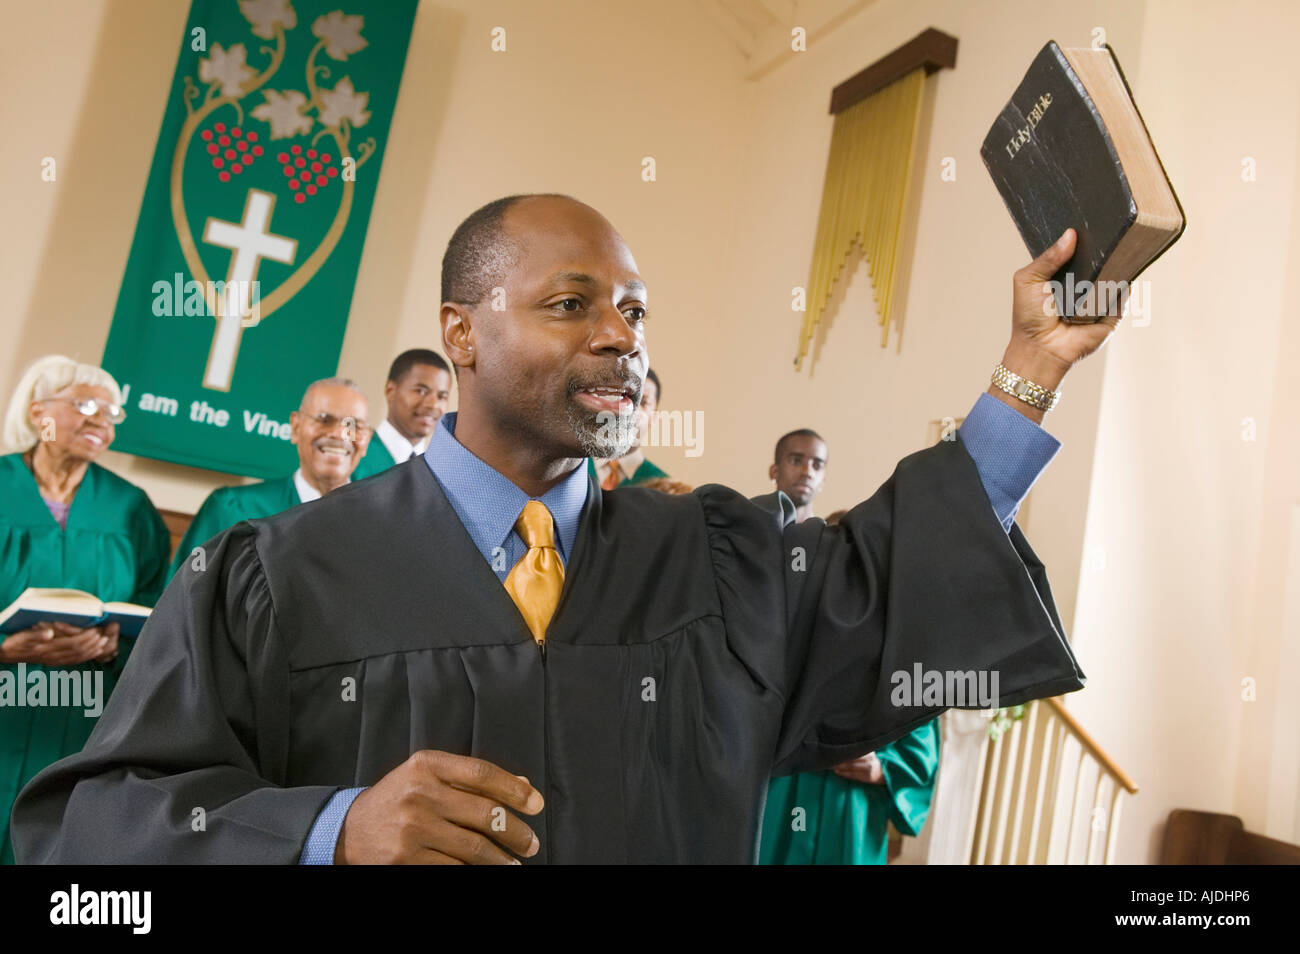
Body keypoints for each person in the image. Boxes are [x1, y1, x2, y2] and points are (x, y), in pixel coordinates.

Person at [13, 195, 1112, 865]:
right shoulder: (278, 570)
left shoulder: (717, 559)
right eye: (571, 304)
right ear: (463, 334)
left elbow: (887, 582)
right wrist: (324, 834)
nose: (621, 339)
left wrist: (1029, 372)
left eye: (634, 310)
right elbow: (97, 831)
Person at [0, 355, 170, 864]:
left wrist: (113, 642)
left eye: (113, 412)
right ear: (38, 413)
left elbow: (154, 605)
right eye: (86, 404)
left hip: (81, 722)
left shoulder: (129, 506)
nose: (102, 419)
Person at [759, 442, 940, 865]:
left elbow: (920, 744)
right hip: (779, 799)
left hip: (849, 812)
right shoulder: (781, 634)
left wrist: (882, 768)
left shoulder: (902, 652)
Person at [168, 378, 372, 581]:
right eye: (324, 419)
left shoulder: (374, 528)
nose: (339, 434)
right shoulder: (232, 510)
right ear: (295, 426)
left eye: (354, 425)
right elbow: (184, 596)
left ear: (367, 439)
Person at [352, 350, 452, 479]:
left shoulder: (440, 472)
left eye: (442, 396)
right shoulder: (354, 457)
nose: (433, 405)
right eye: (421, 391)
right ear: (390, 391)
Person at [590, 367, 668, 489]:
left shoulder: (664, 489)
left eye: (643, 402)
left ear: (654, 417)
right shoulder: (570, 468)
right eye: (624, 397)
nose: (631, 410)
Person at [769, 428, 828, 524]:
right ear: (774, 472)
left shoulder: (831, 536)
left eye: (817, 466)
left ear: (823, 481)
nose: (807, 472)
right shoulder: (748, 528)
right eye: (796, 461)